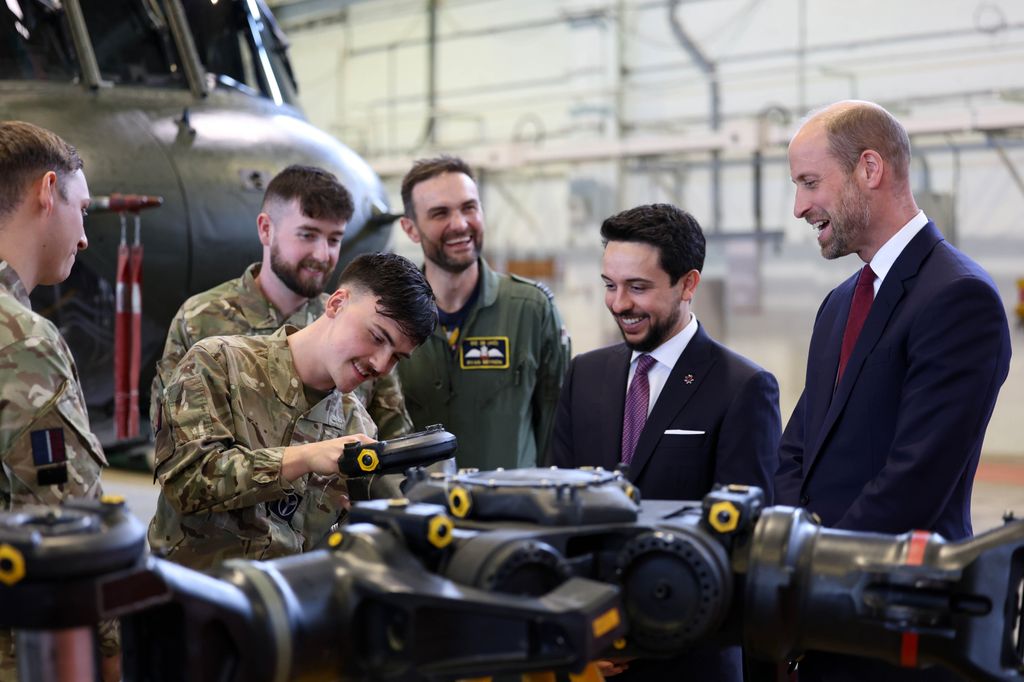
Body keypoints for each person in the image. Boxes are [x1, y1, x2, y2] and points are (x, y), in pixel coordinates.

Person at [777, 100, 1012, 681]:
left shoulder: (958, 298)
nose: (800, 206)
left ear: (870, 169)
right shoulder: (837, 305)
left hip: (896, 623)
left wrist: (813, 573)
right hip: (822, 617)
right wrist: (780, 558)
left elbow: (915, 479)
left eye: (810, 183)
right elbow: (798, 449)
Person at [550, 203, 781, 682]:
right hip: (589, 655)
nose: (618, 304)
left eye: (638, 287)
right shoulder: (585, 376)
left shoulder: (743, 388)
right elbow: (556, 514)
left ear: (688, 284)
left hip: (689, 660)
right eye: (610, 285)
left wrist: (647, 631)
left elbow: (743, 548)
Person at [147, 253, 437, 570]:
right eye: (377, 337)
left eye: (396, 357)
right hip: (192, 599)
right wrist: (303, 458)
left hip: (283, 608)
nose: (381, 365)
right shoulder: (218, 364)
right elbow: (186, 484)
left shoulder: (357, 426)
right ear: (337, 303)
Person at [151, 165, 412, 441]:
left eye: (334, 239)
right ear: (266, 229)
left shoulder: (356, 326)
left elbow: (392, 436)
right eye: (307, 235)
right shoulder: (200, 319)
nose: (323, 255)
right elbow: (172, 436)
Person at [0, 121, 119, 680]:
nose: (86, 236)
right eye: (85, 209)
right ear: (48, 191)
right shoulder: (23, 339)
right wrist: (111, 645)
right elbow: (65, 518)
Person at [397, 155, 569, 470]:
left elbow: (557, 428)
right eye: (440, 213)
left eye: (469, 207)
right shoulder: (391, 318)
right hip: (418, 513)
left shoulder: (531, 310)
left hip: (512, 512)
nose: (460, 224)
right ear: (410, 229)